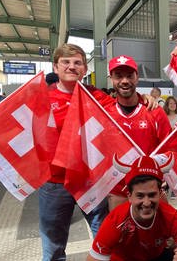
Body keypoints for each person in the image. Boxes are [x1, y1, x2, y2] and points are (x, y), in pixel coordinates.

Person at [40, 44, 155, 261]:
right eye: (66, 62)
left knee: (105, 239)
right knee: (53, 246)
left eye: (77, 63)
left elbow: (124, 103)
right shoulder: (42, 98)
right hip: (55, 182)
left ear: (84, 69)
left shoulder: (97, 98)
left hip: (90, 179)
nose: (72, 67)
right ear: (55, 66)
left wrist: (145, 98)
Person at [87, 154, 177, 261]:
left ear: (160, 193)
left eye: (152, 195)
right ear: (129, 196)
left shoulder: (171, 216)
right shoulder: (115, 221)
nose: (147, 203)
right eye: (140, 196)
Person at [106, 54, 172, 210]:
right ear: (111, 78)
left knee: (161, 233)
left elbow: (169, 148)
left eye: (129, 76)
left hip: (151, 189)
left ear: (137, 77)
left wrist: (163, 176)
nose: (124, 81)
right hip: (118, 191)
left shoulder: (154, 111)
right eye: (118, 76)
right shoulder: (104, 113)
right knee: (122, 233)